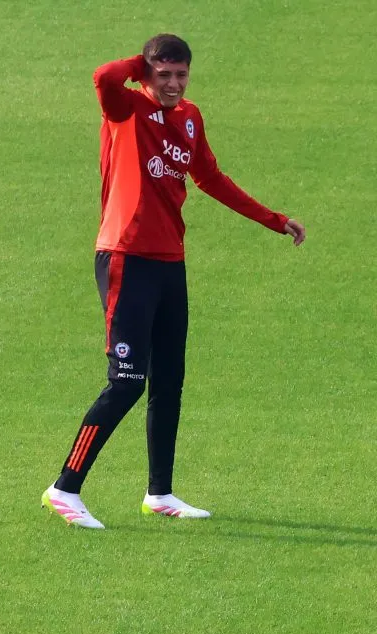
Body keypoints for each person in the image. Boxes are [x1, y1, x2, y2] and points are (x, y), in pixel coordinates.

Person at [41, 34, 306, 529]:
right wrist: (137, 66)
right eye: (162, 74)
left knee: (169, 381)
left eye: (180, 74)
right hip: (125, 256)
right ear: (146, 73)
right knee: (125, 383)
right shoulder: (125, 109)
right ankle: (64, 487)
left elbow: (211, 178)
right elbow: (103, 76)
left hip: (169, 263)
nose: (172, 84)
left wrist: (274, 219)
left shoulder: (190, 117)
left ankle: (159, 493)